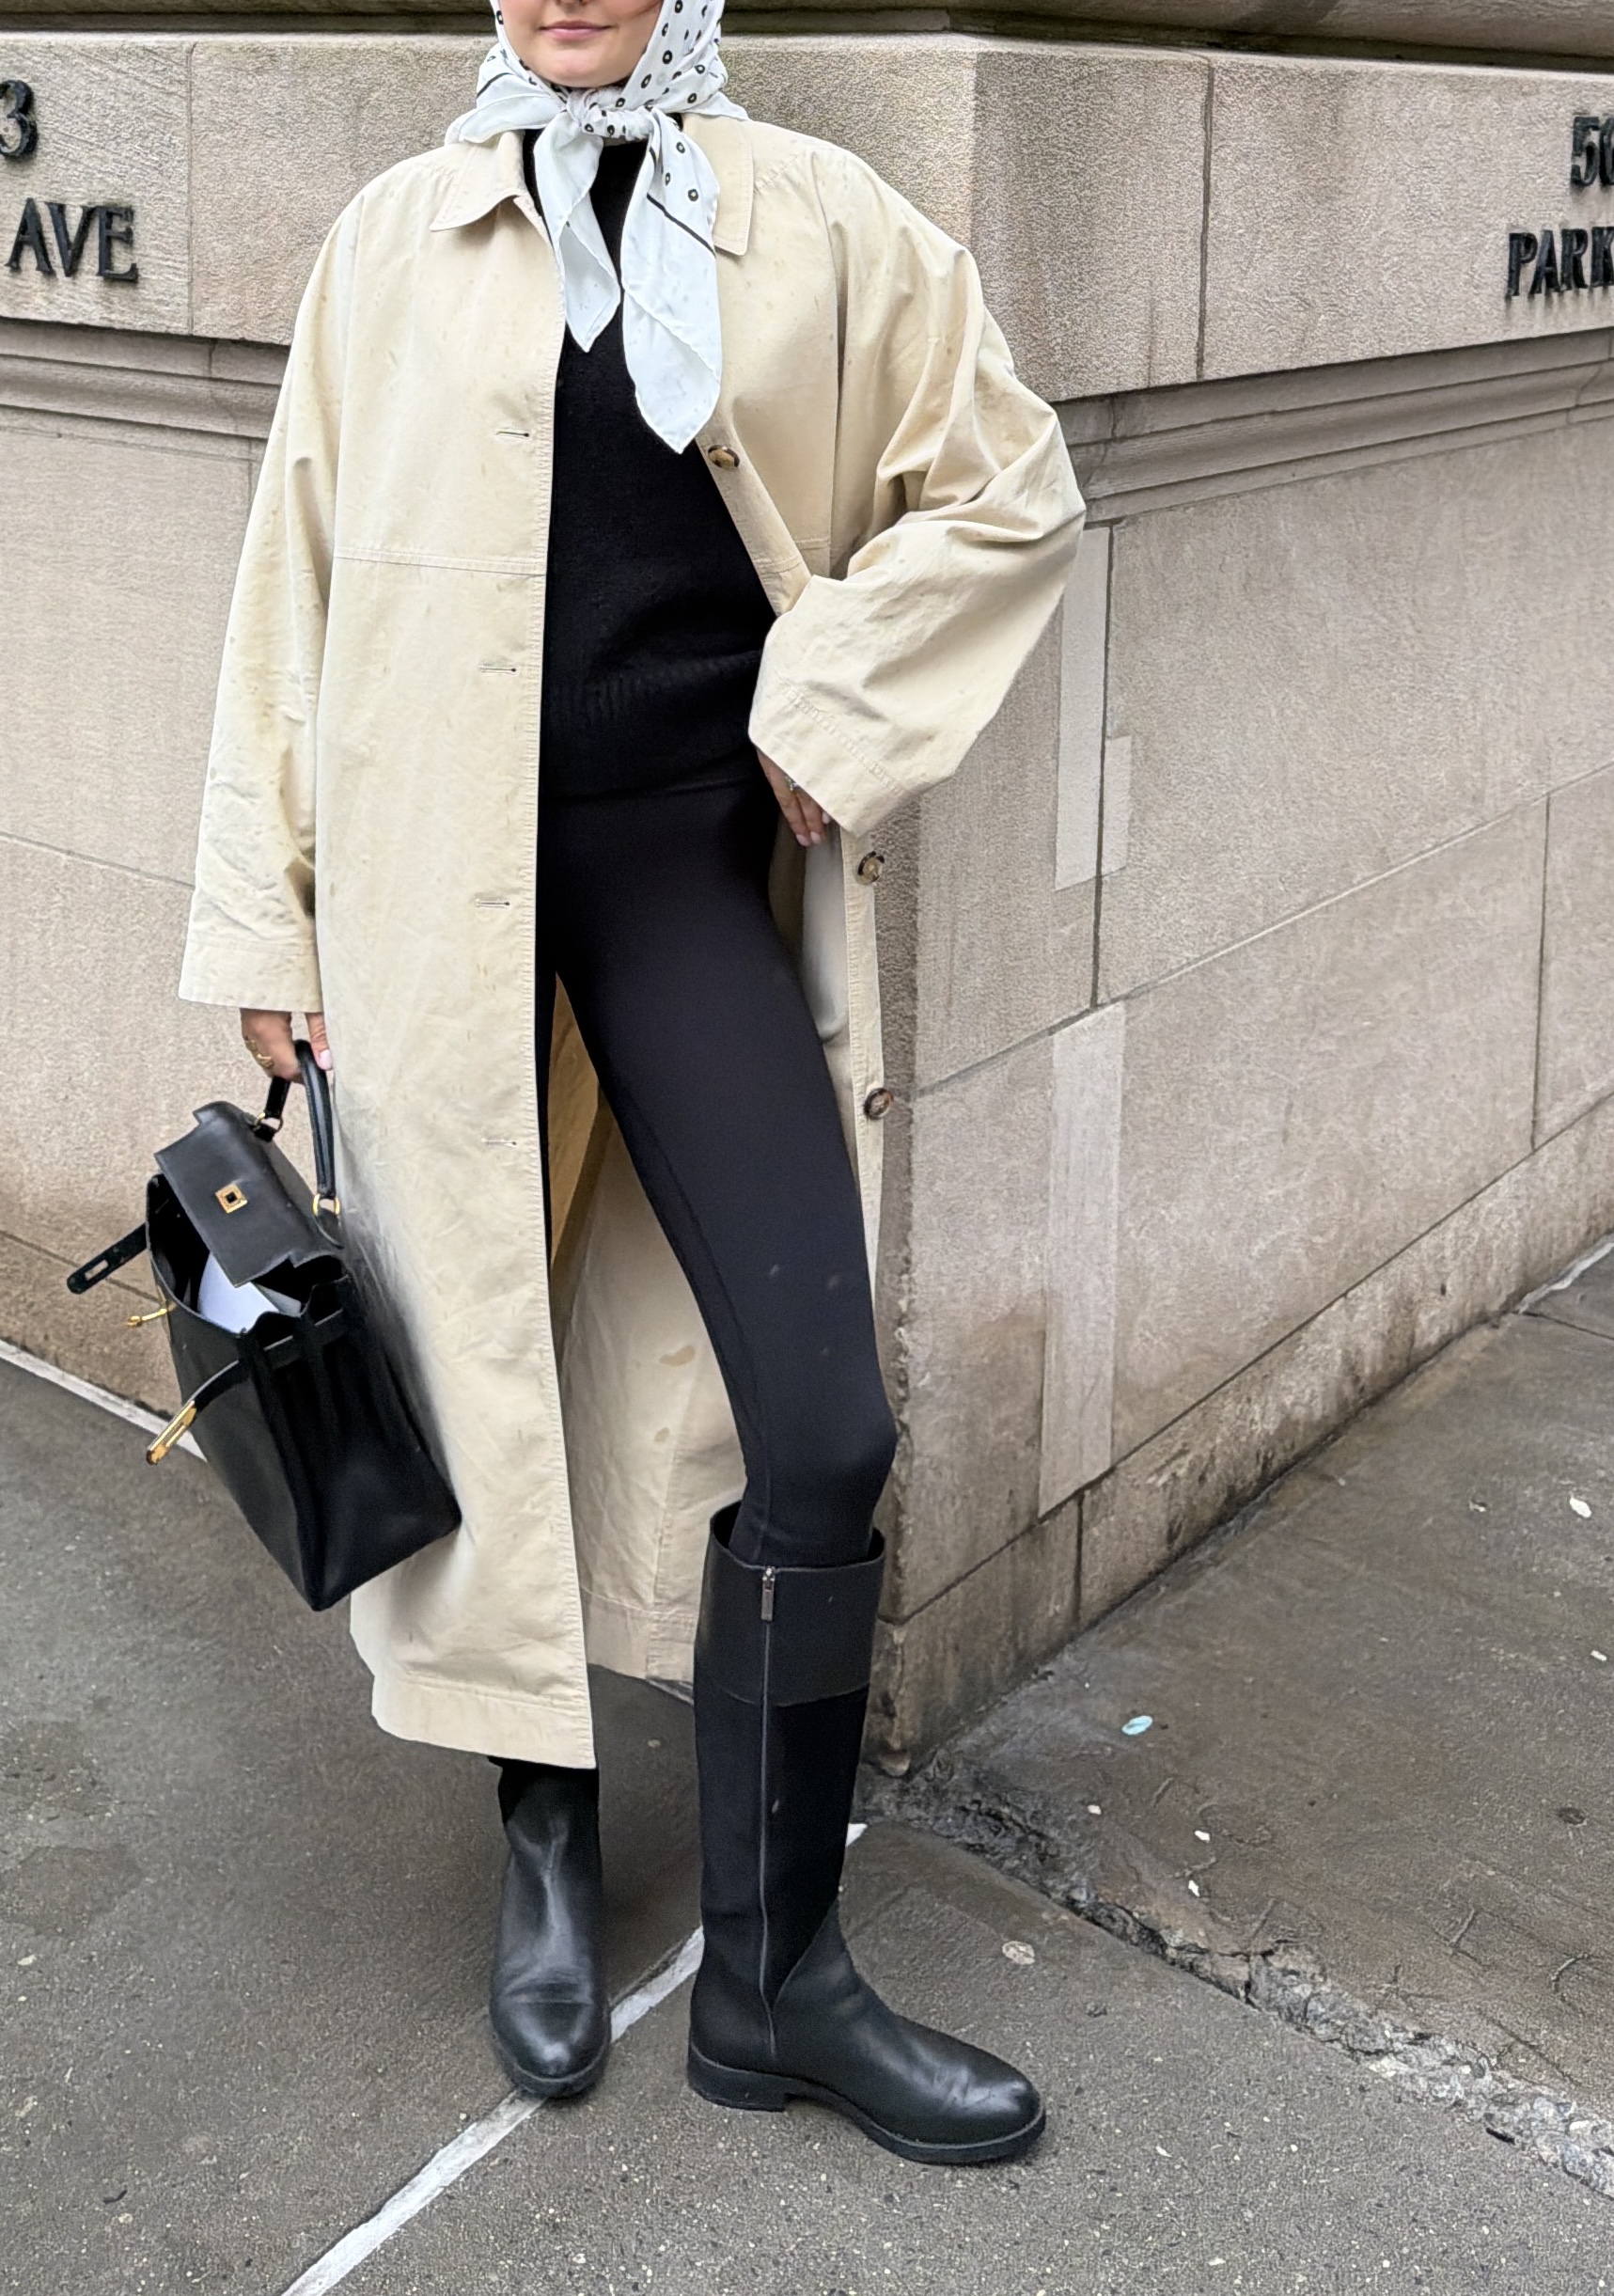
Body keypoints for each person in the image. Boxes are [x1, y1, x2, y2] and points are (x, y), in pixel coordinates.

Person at [180, 0, 1083, 2166]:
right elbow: (289, 591)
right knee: (486, 1370)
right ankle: (545, 1841)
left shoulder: (821, 222)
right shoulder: (393, 239)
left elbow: (1009, 490)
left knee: (823, 1423)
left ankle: (776, 1986)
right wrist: (261, 927)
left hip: (682, 874)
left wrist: (833, 707)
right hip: (433, 897)